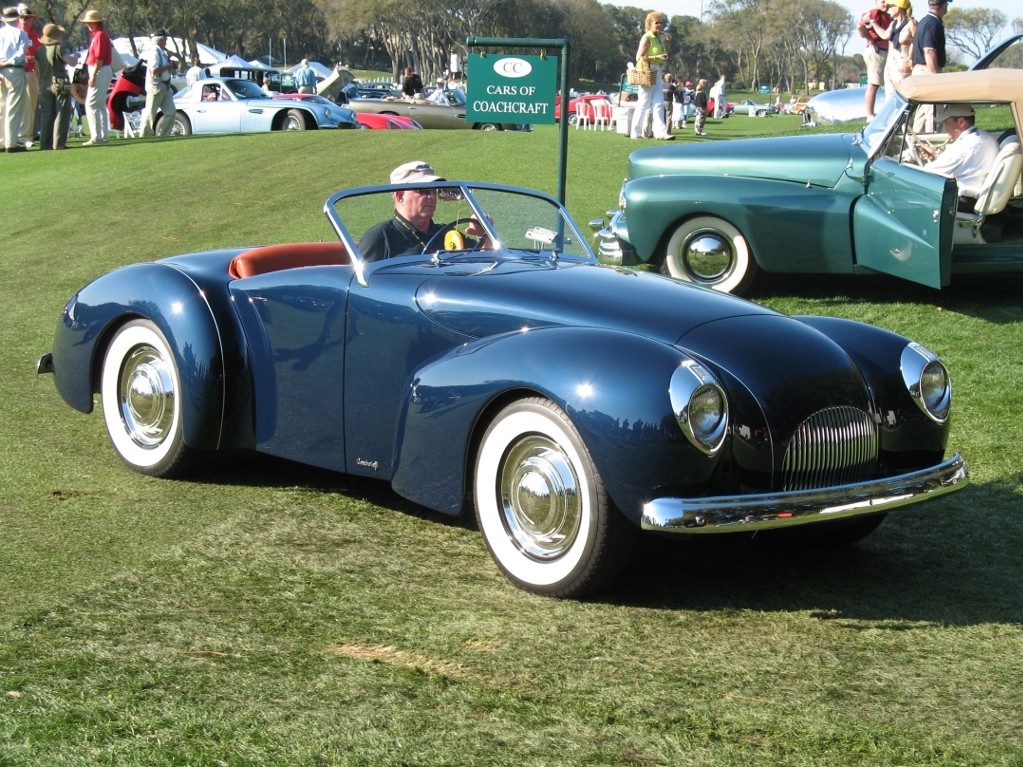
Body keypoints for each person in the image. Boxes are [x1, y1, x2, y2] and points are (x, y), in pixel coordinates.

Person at [360, 161, 490, 261]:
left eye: (434, 190)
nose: (432, 196)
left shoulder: (446, 233)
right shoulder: (380, 237)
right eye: (423, 190)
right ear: (400, 196)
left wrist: (484, 234)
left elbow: (488, 263)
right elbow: (361, 285)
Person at [918, 104, 998, 212]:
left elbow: (926, 174)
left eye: (946, 122)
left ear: (961, 122)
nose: (945, 127)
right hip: (972, 196)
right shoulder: (984, 136)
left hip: (962, 202)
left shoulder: (965, 146)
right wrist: (936, 156)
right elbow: (960, 161)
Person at [629, 11, 673, 141]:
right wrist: (656, 57)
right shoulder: (647, 37)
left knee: (659, 102)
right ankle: (635, 132)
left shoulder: (659, 37)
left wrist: (668, 43)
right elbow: (639, 57)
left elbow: (664, 53)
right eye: (656, 22)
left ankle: (660, 132)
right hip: (647, 71)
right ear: (650, 24)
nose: (659, 25)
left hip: (657, 70)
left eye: (661, 22)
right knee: (644, 102)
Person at [35, 22, 76, 150]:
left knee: (47, 114)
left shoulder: (39, 50)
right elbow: (72, 62)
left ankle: (45, 143)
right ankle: (58, 143)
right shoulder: (59, 48)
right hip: (60, 82)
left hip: (44, 83)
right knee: (62, 113)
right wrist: (76, 57)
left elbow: (37, 70)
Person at [80, 8, 112, 145]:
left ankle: (96, 136)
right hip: (103, 70)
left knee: (91, 104)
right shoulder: (99, 35)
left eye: (90, 22)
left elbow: (99, 58)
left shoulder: (99, 35)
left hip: (100, 69)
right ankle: (103, 135)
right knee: (99, 105)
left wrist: (93, 75)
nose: (88, 25)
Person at [0, 4, 29, 152]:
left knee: (2, 107)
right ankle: (11, 142)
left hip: (0, 70)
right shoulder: (20, 33)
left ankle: (1, 141)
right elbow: (20, 55)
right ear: (17, 18)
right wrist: (7, 62)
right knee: (14, 107)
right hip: (14, 70)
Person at [857, 0, 892, 120]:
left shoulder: (887, 14)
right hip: (877, 50)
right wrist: (869, 38)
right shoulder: (873, 13)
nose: (885, 4)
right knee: (873, 84)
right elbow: (860, 26)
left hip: (884, 51)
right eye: (882, 2)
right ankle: (870, 114)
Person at [139, 30, 175, 137]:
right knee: (150, 113)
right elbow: (154, 70)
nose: (166, 41)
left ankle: (164, 135)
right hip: (156, 87)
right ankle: (144, 136)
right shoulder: (154, 52)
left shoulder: (162, 52)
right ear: (160, 40)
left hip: (165, 86)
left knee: (171, 112)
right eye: (165, 39)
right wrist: (169, 66)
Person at [878, 0, 917, 91]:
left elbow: (917, 41)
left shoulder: (911, 23)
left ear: (898, 7)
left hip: (904, 67)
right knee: (890, 98)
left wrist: (910, 59)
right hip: (890, 68)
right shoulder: (893, 24)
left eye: (890, 6)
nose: (888, 10)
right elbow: (884, 35)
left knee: (904, 94)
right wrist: (873, 22)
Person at [16, 3, 38, 148]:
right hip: (15, 72)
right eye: (22, 17)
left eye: (27, 17)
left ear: (32, 20)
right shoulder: (14, 33)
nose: (24, 20)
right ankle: (13, 135)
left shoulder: (34, 36)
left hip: (30, 72)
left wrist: (34, 59)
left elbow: (39, 54)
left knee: (30, 105)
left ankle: (26, 135)